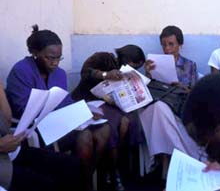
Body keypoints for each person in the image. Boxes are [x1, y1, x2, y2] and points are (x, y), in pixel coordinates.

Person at [5, 25, 111, 191]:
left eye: (58, 58)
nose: (54, 63)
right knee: (85, 137)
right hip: (34, 128)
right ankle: (84, 184)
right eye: (49, 58)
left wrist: (85, 110)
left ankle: (86, 177)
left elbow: (65, 102)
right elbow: (20, 107)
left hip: (59, 123)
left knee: (103, 130)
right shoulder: (21, 70)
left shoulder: (60, 74)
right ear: (35, 53)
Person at [71, 45, 146, 190]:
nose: (134, 71)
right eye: (133, 66)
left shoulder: (129, 75)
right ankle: (108, 171)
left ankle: (114, 165)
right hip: (89, 102)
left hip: (112, 106)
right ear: (126, 59)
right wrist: (106, 75)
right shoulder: (103, 58)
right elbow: (85, 72)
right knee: (110, 126)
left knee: (126, 123)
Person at [139, 25, 202, 177]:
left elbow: (195, 93)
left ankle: (166, 164)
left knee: (161, 110)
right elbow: (145, 90)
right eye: (164, 44)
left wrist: (182, 87)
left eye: (171, 44)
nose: (167, 48)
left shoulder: (189, 65)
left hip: (179, 107)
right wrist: (147, 73)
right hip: (159, 104)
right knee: (159, 109)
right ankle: (174, 160)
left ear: (180, 44)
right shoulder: (154, 63)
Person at [0, 78, 84, 191]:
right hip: (3, 166)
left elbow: (6, 123)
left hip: (10, 153)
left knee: (71, 164)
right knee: (46, 183)